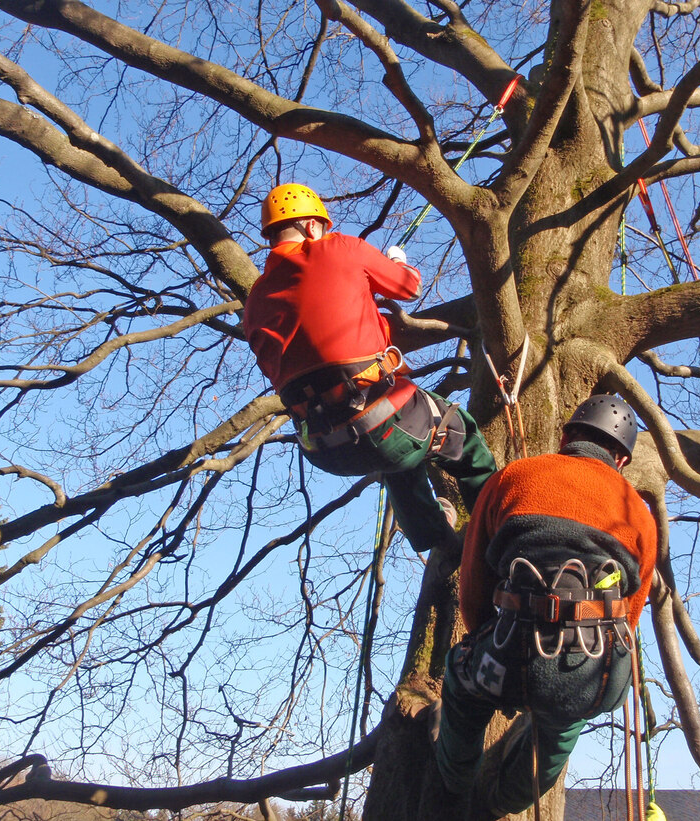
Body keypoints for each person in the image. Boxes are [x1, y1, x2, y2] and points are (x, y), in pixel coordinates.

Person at [433, 394, 657, 818]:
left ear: (566, 436)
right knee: (563, 723)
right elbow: (630, 614)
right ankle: (503, 803)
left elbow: (474, 587)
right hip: (588, 675)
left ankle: (454, 786)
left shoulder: (514, 477)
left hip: (506, 652)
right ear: (622, 460)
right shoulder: (639, 514)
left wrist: (485, 641)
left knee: (462, 687)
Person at [242, 183, 497, 553]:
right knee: (463, 435)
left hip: (325, 448)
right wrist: (396, 261)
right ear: (313, 225)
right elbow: (408, 287)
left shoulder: (254, 303)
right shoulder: (341, 247)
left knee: (398, 449)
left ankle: (436, 540)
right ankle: (499, 529)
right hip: (382, 421)